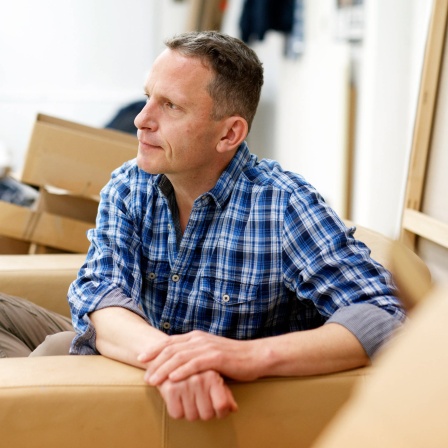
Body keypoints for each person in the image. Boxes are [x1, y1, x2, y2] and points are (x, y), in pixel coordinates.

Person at [1, 31, 405, 421]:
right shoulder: (129, 184)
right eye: (148, 98)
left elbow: (382, 316)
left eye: (171, 106)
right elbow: (100, 293)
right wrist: (173, 358)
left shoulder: (283, 205)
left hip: (193, 403)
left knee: (50, 357)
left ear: (229, 133)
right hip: (145, 353)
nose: (142, 120)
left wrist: (240, 357)